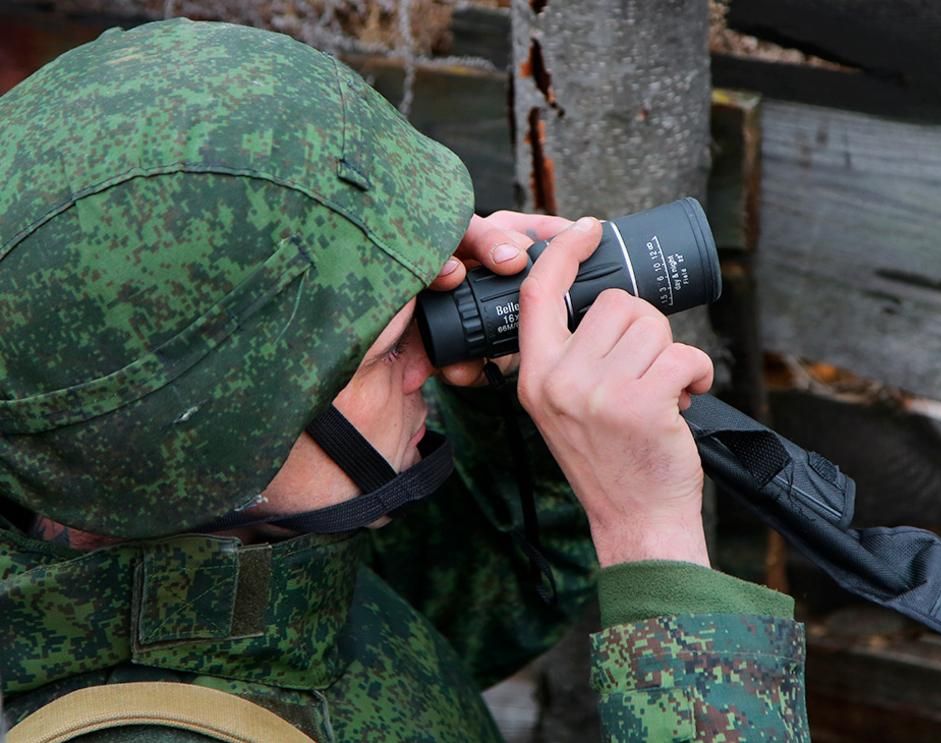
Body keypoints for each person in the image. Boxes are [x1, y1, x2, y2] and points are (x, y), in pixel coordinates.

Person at [0, 18, 808, 742]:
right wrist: (653, 541)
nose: (423, 358)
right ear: (220, 439)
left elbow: (478, 604)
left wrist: (503, 406)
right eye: (384, 348)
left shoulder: (211, 575)